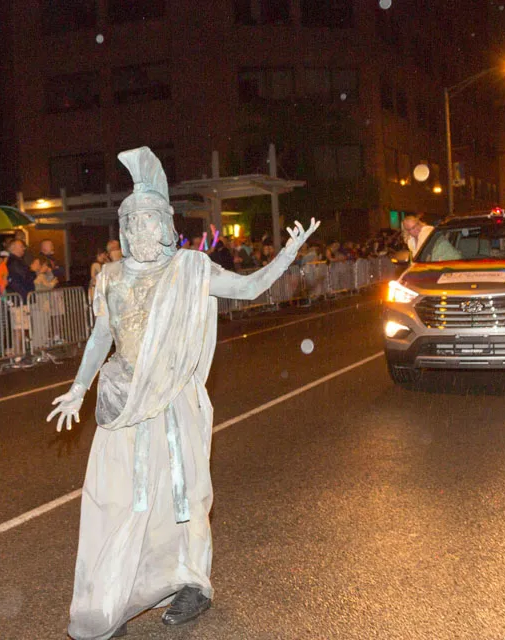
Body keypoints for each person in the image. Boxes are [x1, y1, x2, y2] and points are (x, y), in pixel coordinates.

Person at [46, 147, 320, 640]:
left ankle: (192, 582)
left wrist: (286, 254)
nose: (140, 229)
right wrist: (78, 387)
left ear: (164, 225)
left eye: (148, 219)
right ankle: (109, 599)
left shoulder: (190, 269)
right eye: (132, 222)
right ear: (123, 229)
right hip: (122, 403)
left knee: (185, 494)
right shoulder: (110, 277)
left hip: (175, 403)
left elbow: (248, 289)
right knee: (116, 502)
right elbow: (101, 337)